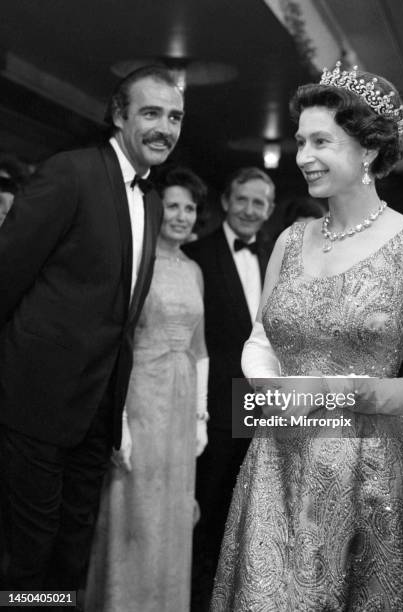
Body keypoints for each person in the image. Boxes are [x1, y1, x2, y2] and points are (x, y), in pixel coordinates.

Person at [210, 63, 403, 610]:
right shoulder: (290, 237)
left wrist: (337, 393)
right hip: (276, 462)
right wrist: (267, 389)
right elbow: (262, 337)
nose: (303, 155)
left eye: (321, 141)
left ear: (368, 151)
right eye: (301, 140)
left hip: (367, 474)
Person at [0, 65, 184, 595]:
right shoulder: (71, 172)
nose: (164, 128)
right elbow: (7, 274)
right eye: (151, 113)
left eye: (174, 118)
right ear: (119, 114)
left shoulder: (150, 199)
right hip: (34, 399)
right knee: (28, 555)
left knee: (73, 550)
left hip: (97, 410)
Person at [85, 167, 208, 611]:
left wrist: (201, 416)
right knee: (131, 509)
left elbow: (200, 347)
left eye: (189, 208)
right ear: (156, 210)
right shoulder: (136, 263)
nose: (181, 216)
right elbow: (119, 342)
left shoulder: (194, 270)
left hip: (181, 403)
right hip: (139, 399)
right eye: (172, 206)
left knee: (172, 514)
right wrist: (118, 420)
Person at [183, 167, 275, 610]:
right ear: (225, 201)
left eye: (260, 202)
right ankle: (199, 596)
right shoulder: (195, 253)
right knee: (210, 503)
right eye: (243, 199)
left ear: (270, 209)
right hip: (215, 401)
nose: (250, 210)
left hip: (262, 402)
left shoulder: (276, 256)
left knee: (254, 508)